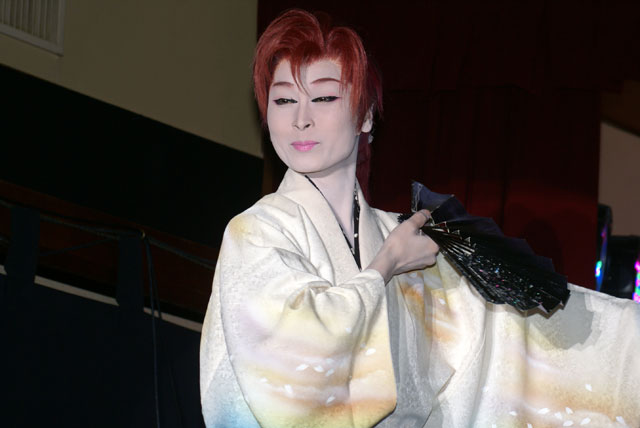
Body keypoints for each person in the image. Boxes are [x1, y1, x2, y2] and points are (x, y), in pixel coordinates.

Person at [200, 9, 640, 428]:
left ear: (365, 115)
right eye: (283, 100)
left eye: (324, 97)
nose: (300, 119)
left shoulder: (400, 235)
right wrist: (384, 266)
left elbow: (497, 335)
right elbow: (291, 361)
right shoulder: (257, 232)